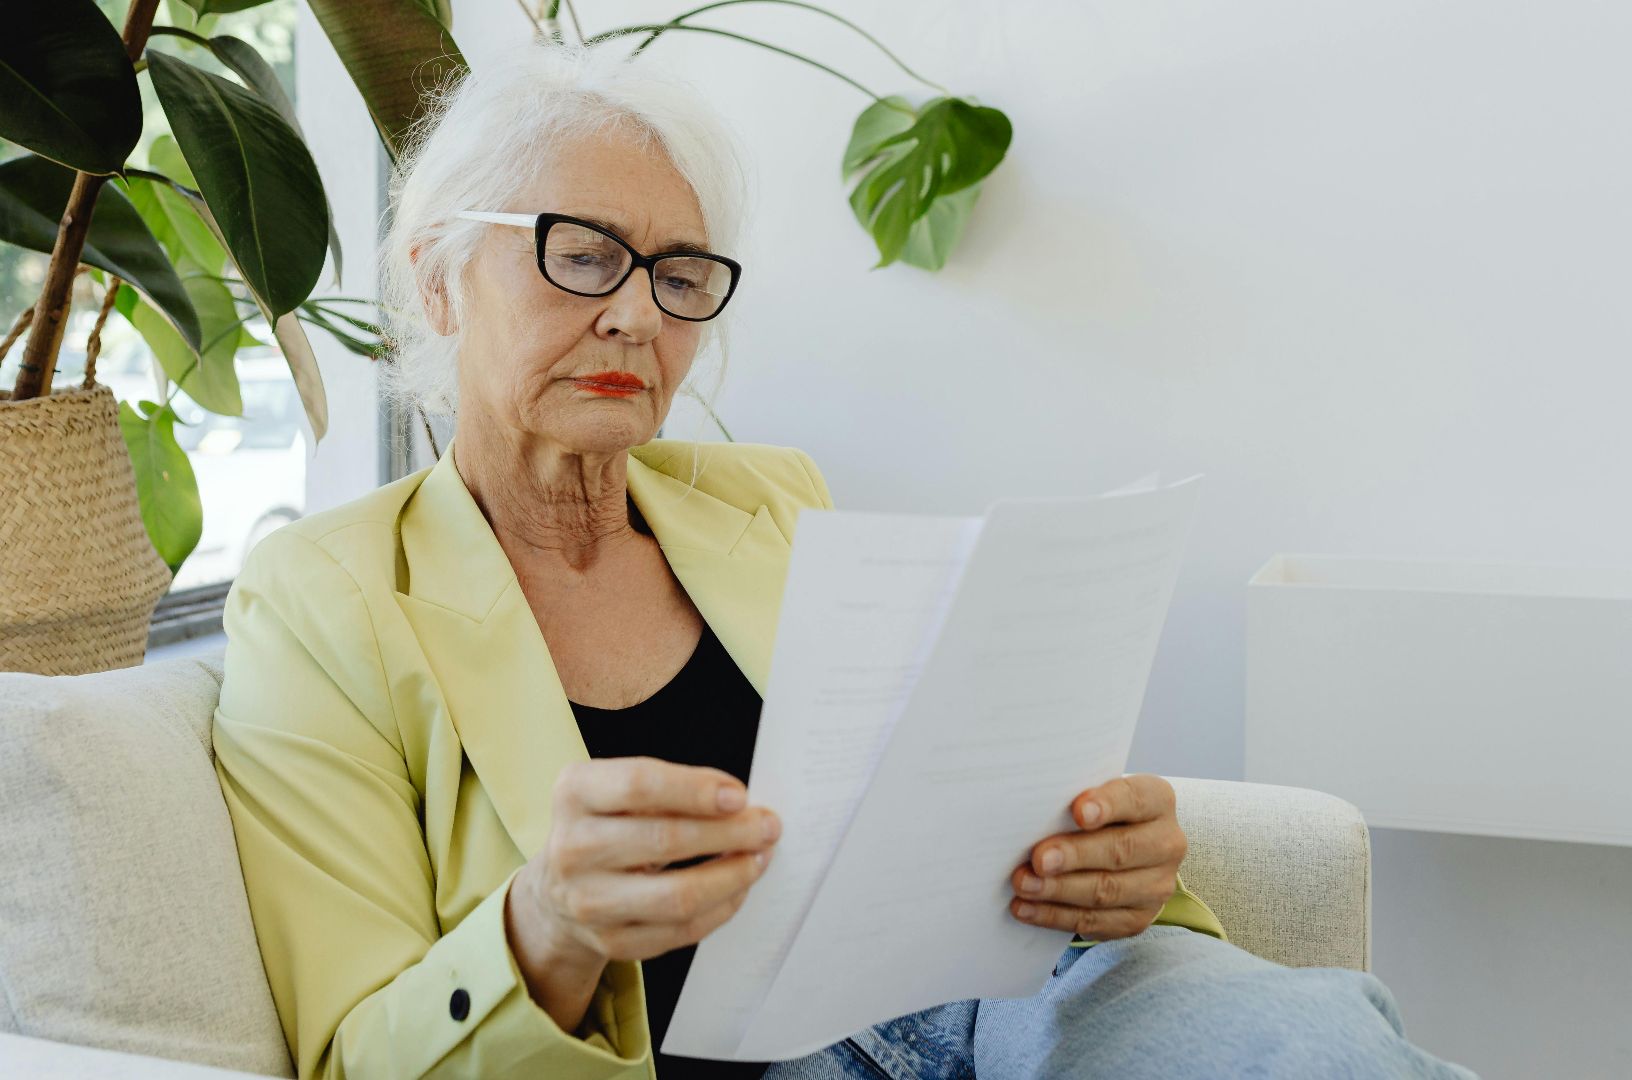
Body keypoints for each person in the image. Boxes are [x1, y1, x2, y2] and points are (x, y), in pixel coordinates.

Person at [211, 38, 1480, 1080]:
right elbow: (357, 1053)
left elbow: (948, 812)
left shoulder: (766, 500)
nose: (637, 314)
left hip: (1000, 1007)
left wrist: (1115, 869)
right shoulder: (323, 598)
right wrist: (546, 926)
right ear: (439, 278)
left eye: (678, 272)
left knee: (1319, 1046)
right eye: (583, 253)